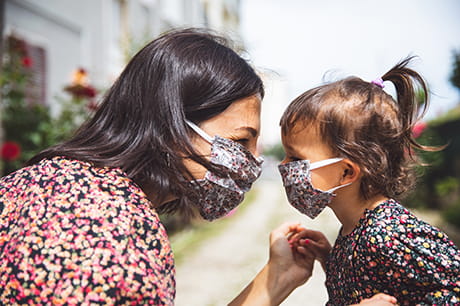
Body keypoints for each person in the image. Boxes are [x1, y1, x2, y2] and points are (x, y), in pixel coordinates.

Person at [0, 28, 395, 305]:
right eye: (241, 141)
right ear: (171, 122)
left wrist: (274, 282)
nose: (254, 163)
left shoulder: (62, 183)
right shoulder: (105, 236)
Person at [278, 56, 460, 305]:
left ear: (346, 172)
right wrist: (330, 259)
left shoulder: (391, 235)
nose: (284, 166)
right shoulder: (357, 228)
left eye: (296, 157)